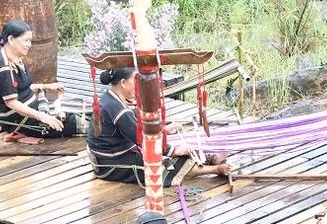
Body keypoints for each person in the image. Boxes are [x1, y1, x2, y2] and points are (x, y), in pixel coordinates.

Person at [86, 67, 231, 185]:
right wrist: (172, 150)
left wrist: (163, 129)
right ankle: (215, 169)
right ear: (123, 82)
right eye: (135, 81)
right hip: (111, 165)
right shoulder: (116, 108)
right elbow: (142, 139)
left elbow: (137, 124)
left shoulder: (111, 98)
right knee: (164, 163)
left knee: (171, 146)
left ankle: (208, 158)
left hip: (111, 156)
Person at [0, 19, 77, 139]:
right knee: (74, 122)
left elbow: (20, 88)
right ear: (11, 40)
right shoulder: (4, 67)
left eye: (30, 41)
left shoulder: (14, 57)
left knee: (75, 109)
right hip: (18, 121)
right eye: (26, 40)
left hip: (30, 110)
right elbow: (11, 102)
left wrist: (46, 86)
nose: (29, 44)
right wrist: (42, 116)